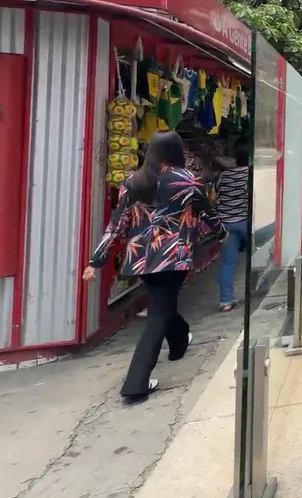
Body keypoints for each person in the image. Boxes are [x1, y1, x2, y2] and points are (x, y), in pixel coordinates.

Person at [83, 131, 225, 403]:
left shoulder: (132, 182)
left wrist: (96, 259)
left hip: (140, 260)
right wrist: (220, 234)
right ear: (176, 152)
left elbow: (117, 224)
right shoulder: (188, 181)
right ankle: (136, 382)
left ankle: (179, 342)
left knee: (162, 305)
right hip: (173, 256)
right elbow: (208, 214)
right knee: (159, 314)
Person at [213, 143, 252, 311]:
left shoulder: (223, 176)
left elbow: (214, 198)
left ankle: (226, 301)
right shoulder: (251, 174)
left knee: (227, 263)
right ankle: (260, 289)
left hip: (227, 224)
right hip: (247, 221)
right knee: (258, 255)